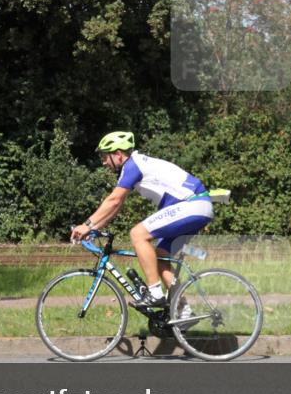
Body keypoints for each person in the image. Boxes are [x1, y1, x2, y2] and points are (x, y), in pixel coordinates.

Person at [69, 131, 213, 308]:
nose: (104, 162)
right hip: (197, 206)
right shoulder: (136, 165)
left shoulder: (133, 165)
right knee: (160, 256)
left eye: (105, 156)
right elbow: (116, 205)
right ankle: (183, 311)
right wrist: (93, 228)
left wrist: (86, 225)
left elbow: (113, 200)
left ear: (118, 154)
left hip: (192, 205)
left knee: (138, 234)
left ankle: (154, 293)